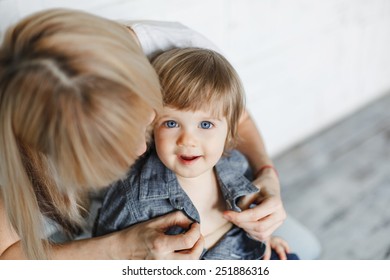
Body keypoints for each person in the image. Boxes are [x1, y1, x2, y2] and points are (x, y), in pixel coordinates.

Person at [0, 8, 317, 260]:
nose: (142, 148)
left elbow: (238, 117)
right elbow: (8, 259)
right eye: (111, 149)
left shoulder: (174, 50)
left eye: (147, 121)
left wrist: (267, 173)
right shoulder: (127, 201)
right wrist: (119, 249)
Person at [93, 47, 298, 260]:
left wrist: (262, 238)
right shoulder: (130, 198)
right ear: (152, 126)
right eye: (171, 123)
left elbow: (250, 222)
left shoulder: (236, 165)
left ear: (229, 132)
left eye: (206, 124)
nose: (188, 140)